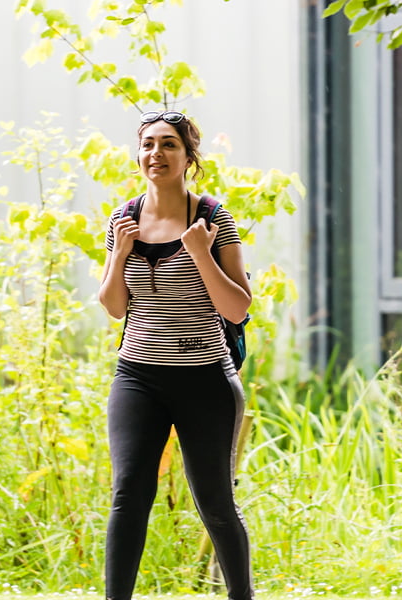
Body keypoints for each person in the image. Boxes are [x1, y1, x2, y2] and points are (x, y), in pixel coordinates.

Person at [95, 110, 253, 600]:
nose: (155, 154)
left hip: (205, 379)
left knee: (215, 503)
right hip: (138, 378)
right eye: (147, 145)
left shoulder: (212, 218)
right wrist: (119, 255)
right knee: (128, 495)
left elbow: (238, 307)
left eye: (168, 145)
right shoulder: (122, 220)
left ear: (189, 157)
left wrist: (201, 253)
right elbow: (114, 306)